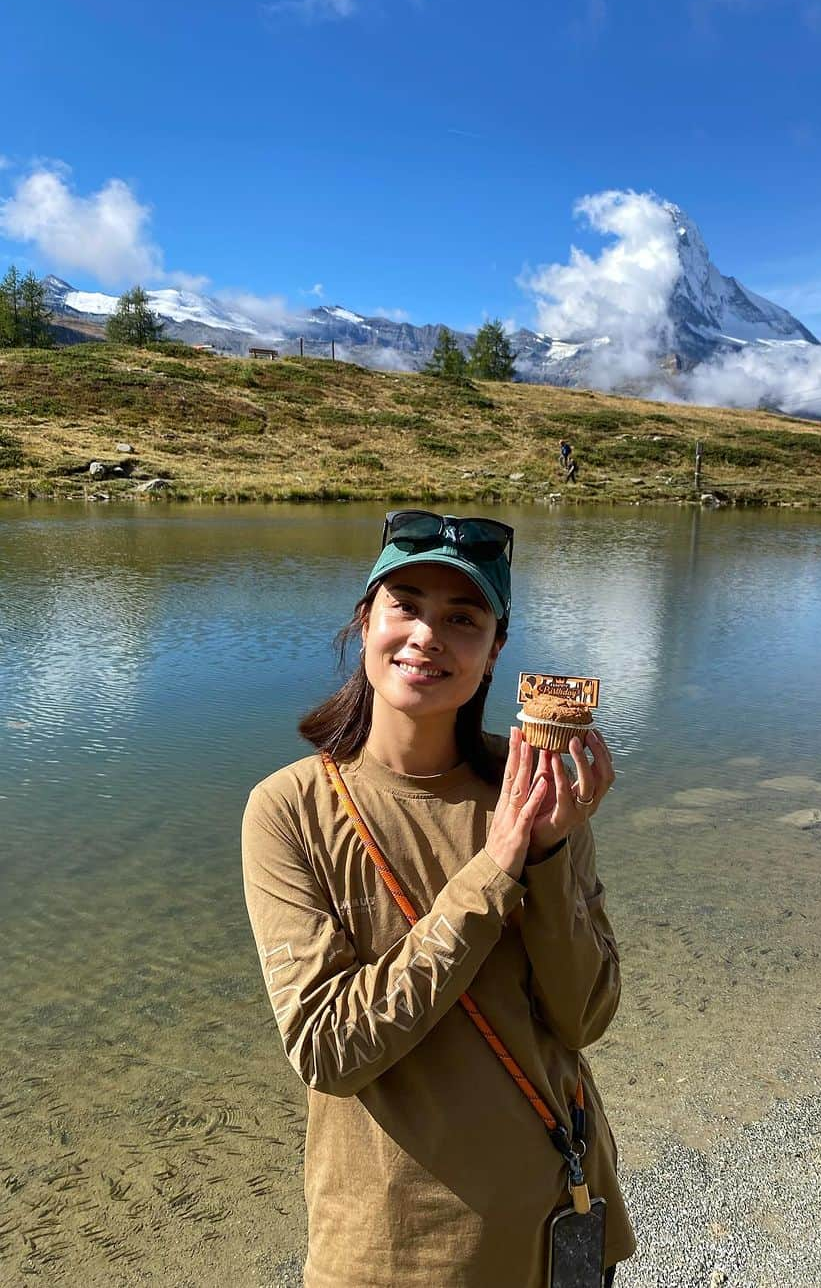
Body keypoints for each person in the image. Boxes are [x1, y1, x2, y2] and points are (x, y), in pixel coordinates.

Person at [241, 510, 635, 1288]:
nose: (427, 635)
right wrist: (495, 874)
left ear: (495, 652)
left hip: (560, 1225)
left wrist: (549, 850)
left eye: (462, 618)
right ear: (364, 623)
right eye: (406, 605)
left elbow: (584, 1019)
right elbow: (327, 1049)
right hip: (395, 1257)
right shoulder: (288, 810)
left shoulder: (535, 794)